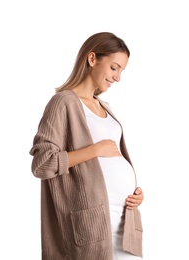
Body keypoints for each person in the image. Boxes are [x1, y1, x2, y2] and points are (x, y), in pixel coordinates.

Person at [29, 32, 144, 260]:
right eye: (114, 67)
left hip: (125, 223)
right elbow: (41, 164)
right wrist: (94, 150)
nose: (118, 77)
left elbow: (112, 164)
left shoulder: (105, 106)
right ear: (92, 59)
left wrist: (134, 193)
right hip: (91, 227)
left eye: (122, 70)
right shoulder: (63, 103)